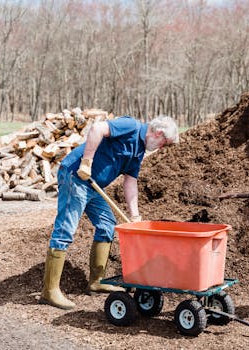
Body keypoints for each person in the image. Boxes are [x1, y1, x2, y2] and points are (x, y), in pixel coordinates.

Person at [40, 114, 179, 310]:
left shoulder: (139, 152)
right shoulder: (130, 126)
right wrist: (86, 162)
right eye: (164, 143)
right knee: (66, 230)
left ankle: (96, 281)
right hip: (76, 176)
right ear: (158, 133)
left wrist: (135, 217)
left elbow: (130, 182)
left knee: (106, 226)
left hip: (94, 186)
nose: (161, 148)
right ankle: (50, 290)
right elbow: (97, 129)